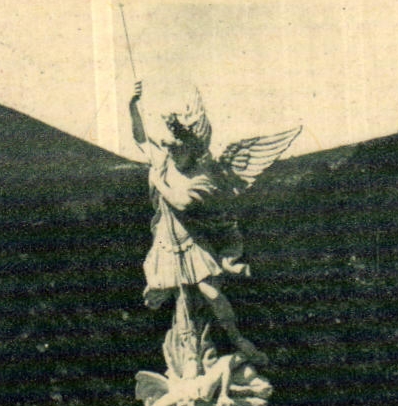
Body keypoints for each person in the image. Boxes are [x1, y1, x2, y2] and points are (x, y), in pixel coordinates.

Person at [129, 81, 301, 373]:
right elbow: (142, 139)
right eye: (171, 149)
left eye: (179, 150)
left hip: (194, 243)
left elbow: (181, 203)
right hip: (167, 243)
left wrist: (158, 182)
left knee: (210, 293)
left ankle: (236, 337)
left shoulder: (203, 177)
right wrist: (132, 106)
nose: (172, 154)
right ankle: (191, 356)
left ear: (192, 151)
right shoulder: (166, 162)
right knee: (182, 300)